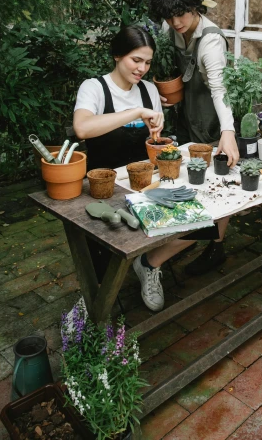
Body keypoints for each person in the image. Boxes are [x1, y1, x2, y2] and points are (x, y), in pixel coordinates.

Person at [73, 25, 205, 312]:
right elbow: (82, 128)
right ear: (118, 55)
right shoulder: (94, 88)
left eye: (147, 62)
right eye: (136, 60)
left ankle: (149, 264)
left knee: (203, 224)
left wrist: (158, 135)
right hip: (104, 192)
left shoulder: (149, 91)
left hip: (146, 186)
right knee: (105, 268)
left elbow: (154, 142)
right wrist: (135, 112)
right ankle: (99, 300)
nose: (142, 68)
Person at [149, 0, 239, 277]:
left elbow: (220, 91)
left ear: (195, 6)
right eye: (169, 16)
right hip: (186, 110)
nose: (176, 23)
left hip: (214, 115)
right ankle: (183, 240)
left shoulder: (211, 42)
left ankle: (214, 245)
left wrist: (228, 133)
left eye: (181, 14)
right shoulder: (169, 26)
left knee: (216, 181)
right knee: (183, 177)